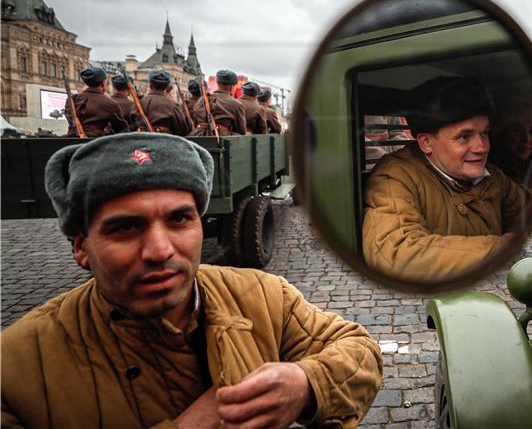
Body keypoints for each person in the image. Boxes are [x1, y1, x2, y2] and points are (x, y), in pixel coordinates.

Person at [0, 132, 382, 428]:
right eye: (126, 228)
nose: (160, 250)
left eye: (179, 219)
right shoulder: (15, 369)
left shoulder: (263, 295)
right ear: (82, 248)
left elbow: (358, 350)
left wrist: (305, 384)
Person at [362, 76, 528, 281]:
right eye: (464, 136)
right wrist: (505, 248)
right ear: (426, 143)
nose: (482, 148)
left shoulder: (493, 177)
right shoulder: (394, 177)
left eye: (484, 134)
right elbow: (396, 254)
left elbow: (526, 211)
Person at [65, 66, 129, 137]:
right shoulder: (110, 103)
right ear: (102, 83)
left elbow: (70, 119)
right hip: (96, 143)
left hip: (70, 142)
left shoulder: (72, 100)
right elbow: (122, 129)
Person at [135, 70, 193, 135]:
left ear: (150, 86)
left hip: (140, 143)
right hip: (166, 143)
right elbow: (182, 130)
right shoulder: (173, 105)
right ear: (167, 87)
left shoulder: (139, 103)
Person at [190, 70, 246, 136]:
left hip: (198, 136)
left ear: (218, 83)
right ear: (231, 87)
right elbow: (241, 130)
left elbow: (195, 119)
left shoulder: (202, 100)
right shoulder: (236, 104)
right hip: (221, 139)